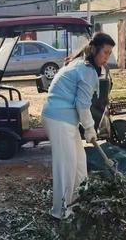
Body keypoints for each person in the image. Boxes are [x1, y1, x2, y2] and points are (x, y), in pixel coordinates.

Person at [41, 32, 115, 219]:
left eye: (109, 53)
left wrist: (89, 128)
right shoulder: (86, 70)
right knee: (66, 166)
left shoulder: (83, 64)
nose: (107, 57)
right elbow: (82, 105)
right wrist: (90, 128)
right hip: (58, 119)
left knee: (79, 163)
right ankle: (61, 212)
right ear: (95, 49)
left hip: (66, 119)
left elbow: (80, 103)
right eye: (105, 52)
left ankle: (78, 201)